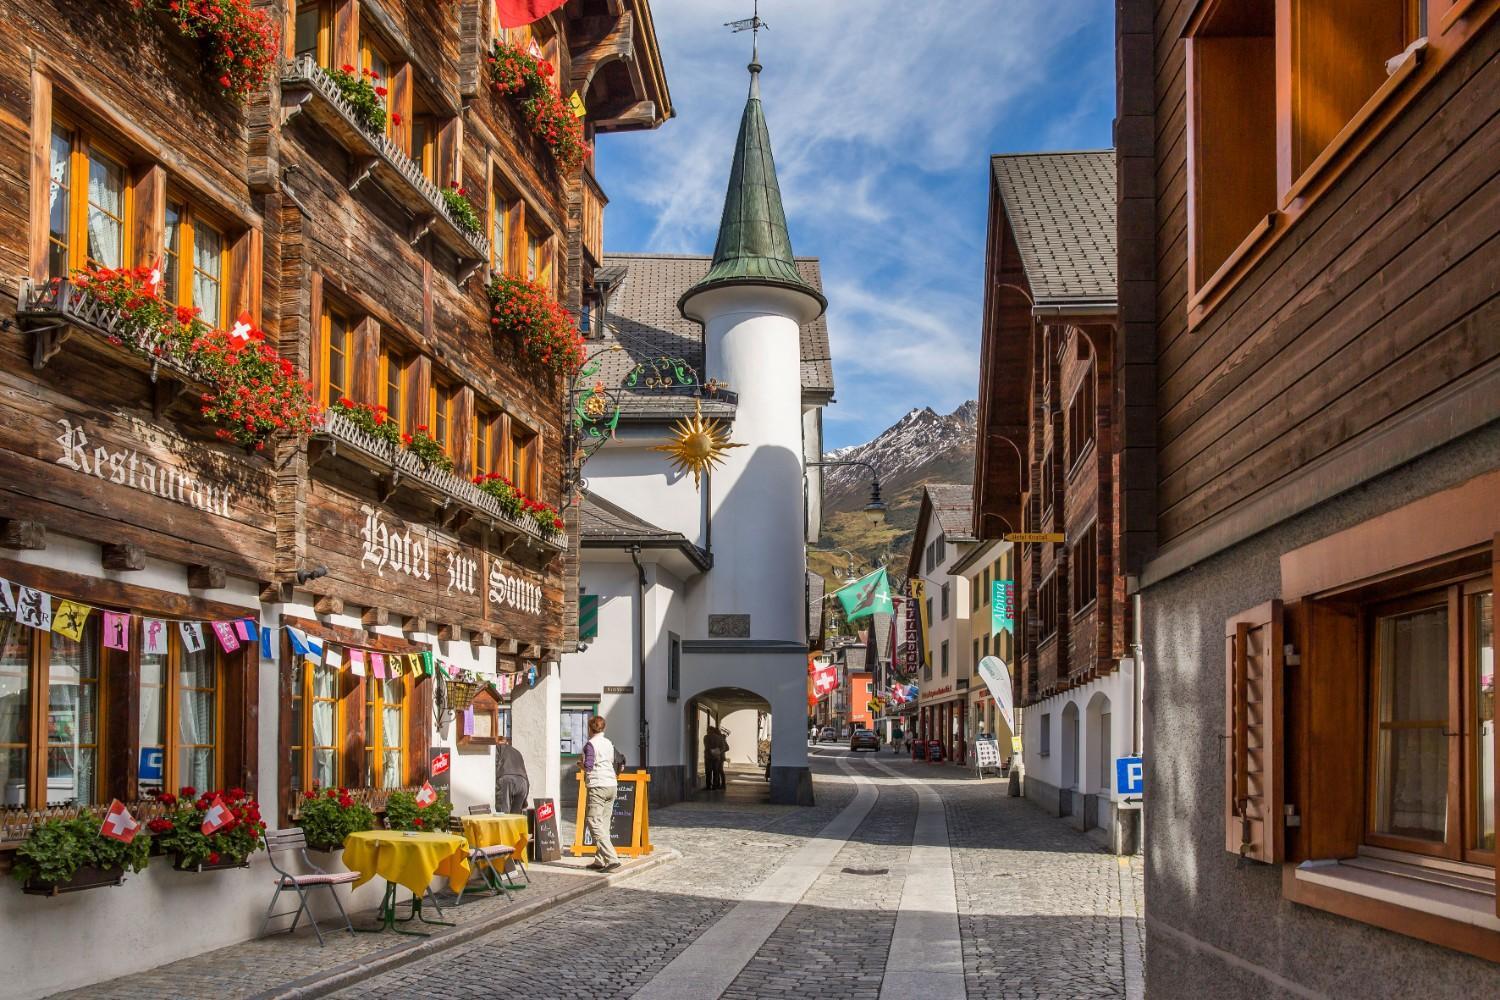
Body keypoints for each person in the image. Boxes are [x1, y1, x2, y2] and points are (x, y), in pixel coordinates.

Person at [581, 716, 620, 872]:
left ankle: (611, 858)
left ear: (590, 728)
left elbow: (589, 766)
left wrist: (580, 765)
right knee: (604, 824)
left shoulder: (591, 744)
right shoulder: (608, 743)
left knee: (593, 821)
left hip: (598, 785)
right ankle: (600, 859)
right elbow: (617, 761)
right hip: (612, 784)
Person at [493, 736, 530, 814]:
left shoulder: (497, 748)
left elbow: (494, 766)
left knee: (503, 814)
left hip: (506, 780)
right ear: (507, 742)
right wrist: (525, 798)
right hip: (523, 782)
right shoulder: (517, 752)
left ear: (497, 742)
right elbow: (525, 773)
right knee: (516, 815)